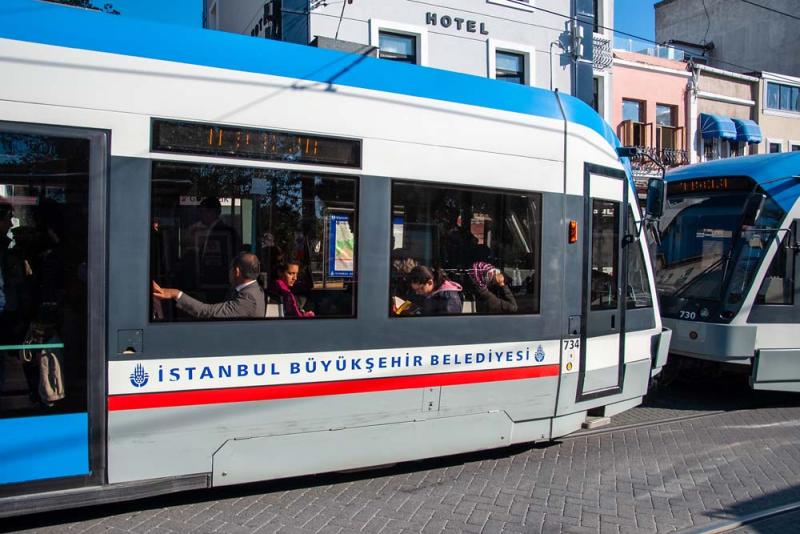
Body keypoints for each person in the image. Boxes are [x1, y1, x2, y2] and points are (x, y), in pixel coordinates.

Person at [152, 252, 265, 319]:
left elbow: (208, 312)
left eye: (230, 269)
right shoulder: (254, 289)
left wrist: (176, 294)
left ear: (237, 272)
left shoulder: (248, 298)